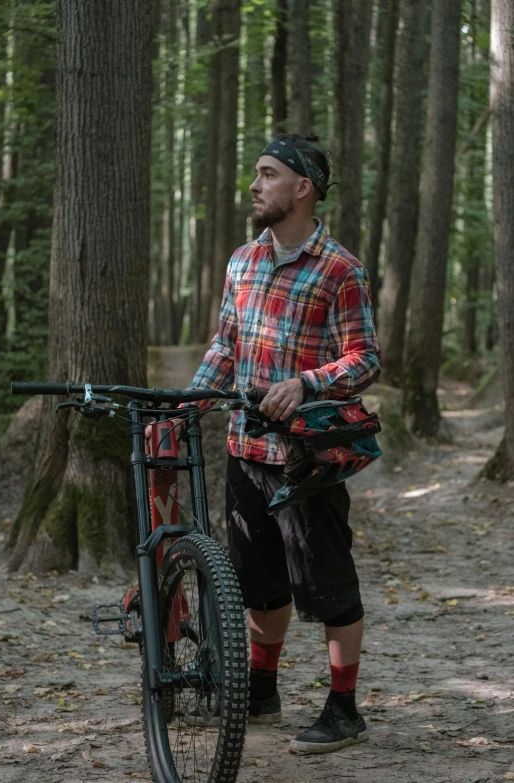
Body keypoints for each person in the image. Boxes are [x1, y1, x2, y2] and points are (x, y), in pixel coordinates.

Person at [188, 132, 380, 754]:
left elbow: (364, 358)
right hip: (246, 449)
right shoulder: (241, 261)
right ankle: (262, 689)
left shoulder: (340, 268)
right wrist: (189, 404)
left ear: (302, 188)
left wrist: (306, 383)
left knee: (324, 582)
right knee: (257, 581)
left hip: (307, 460)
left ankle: (344, 707)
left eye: (267, 174)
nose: (254, 184)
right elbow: (226, 345)